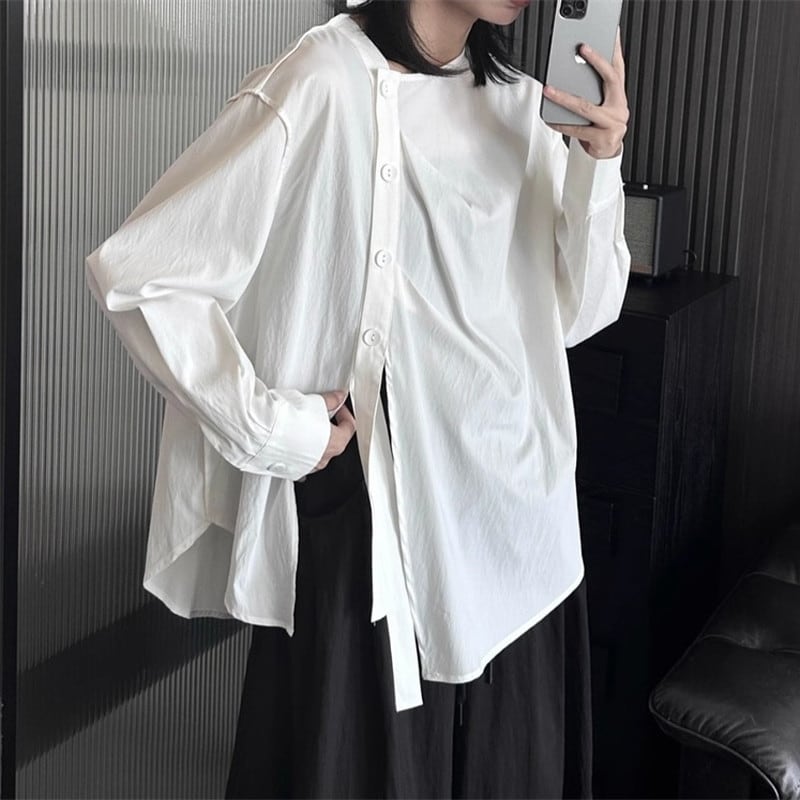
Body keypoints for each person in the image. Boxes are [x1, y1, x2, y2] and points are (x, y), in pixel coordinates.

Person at [85, 0, 630, 796]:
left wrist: (599, 162)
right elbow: (142, 276)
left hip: (520, 539)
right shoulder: (323, 78)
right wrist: (276, 430)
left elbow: (578, 315)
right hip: (383, 544)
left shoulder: (519, 101)